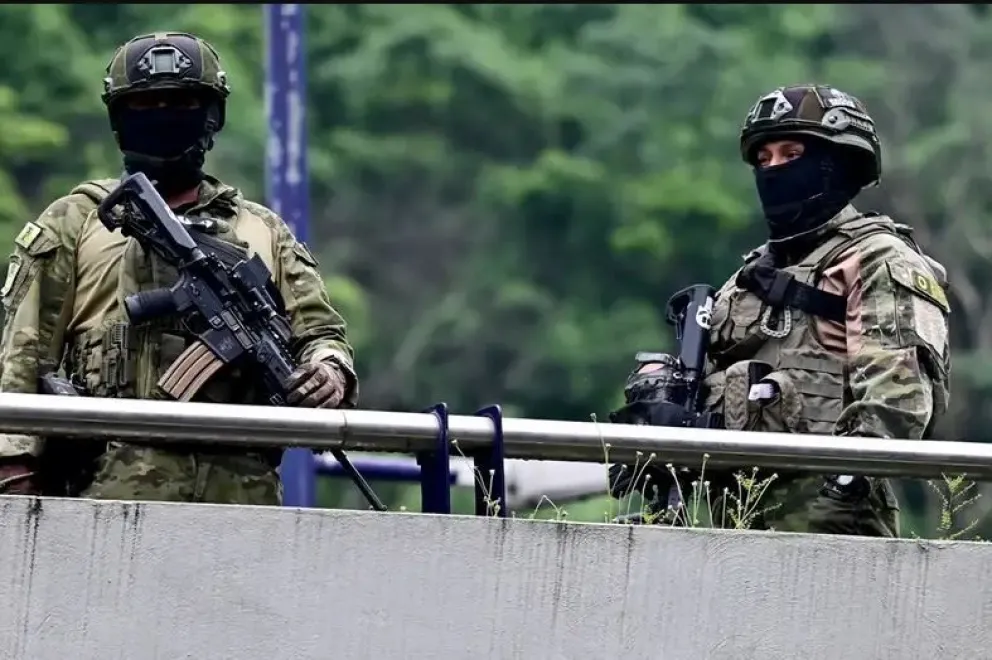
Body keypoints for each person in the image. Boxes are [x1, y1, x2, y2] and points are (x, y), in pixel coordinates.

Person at [0, 32, 358, 504]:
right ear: (120, 119)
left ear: (211, 116)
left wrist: (327, 371)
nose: (164, 116)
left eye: (182, 103)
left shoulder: (262, 230)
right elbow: (21, 354)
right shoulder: (79, 219)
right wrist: (15, 471)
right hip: (108, 490)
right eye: (146, 106)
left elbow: (320, 332)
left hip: (240, 494)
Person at [610, 84, 951, 536]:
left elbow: (898, 403)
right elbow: (734, 397)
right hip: (734, 520)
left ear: (837, 163)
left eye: (791, 154)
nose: (774, 170)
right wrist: (672, 423)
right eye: (763, 159)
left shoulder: (877, 259)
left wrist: (843, 488)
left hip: (834, 522)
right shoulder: (751, 275)